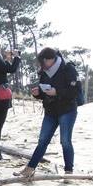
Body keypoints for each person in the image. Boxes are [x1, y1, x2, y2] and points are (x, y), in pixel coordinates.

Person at [15, 47, 79, 177]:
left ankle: (68, 171)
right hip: (50, 111)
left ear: (50, 59)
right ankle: (30, 169)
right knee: (43, 140)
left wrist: (57, 92)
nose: (42, 65)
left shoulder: (68, 68)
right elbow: (44, 92)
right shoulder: (44, 72)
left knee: (65, 141)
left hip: (67, 110)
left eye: (43, 62)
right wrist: (38, 93)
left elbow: (75, 92)